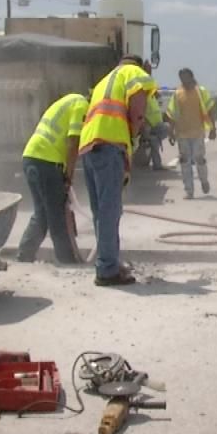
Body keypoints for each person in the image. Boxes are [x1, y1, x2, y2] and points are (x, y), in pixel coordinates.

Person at [79, 55, 154, 286]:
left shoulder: (105, 80)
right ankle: (107, 270)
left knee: (101, 211)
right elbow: (138, 111)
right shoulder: (135, 75)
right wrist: (134, 134)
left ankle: (106, 262)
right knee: (110, 210)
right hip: (110, 143)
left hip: (89, 145)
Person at [18, 92, 88, 264]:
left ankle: (25, 254)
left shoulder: (68, 101)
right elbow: (73, 141)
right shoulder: (81, 105)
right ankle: (66, 260)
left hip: (31, 157)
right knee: (56, 214)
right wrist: (69, 175)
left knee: (42, 213)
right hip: (46, 161)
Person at [166, 67, 216, 199]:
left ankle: (204, 181)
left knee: (199, 159)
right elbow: (172, 114)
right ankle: (189, 190)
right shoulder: (177, 94)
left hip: (198, 132)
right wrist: (171, 131)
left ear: (191, 76)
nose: (183, 80)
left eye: (185, 76)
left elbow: (210, 110)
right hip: (182, 134)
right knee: (185, 161)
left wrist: (213, 128)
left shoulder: (201, 92)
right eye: (181, 77)